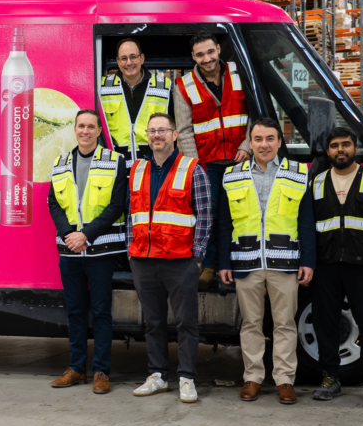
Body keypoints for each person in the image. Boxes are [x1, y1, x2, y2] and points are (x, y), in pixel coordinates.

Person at [217, 117, 315, 405]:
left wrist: (308, 260)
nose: (264, 144)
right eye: (258, 139)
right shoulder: (232, 175)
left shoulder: (298, 173)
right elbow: (224, 223)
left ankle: (285, 380)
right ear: (250, 142)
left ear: (280, 142)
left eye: (270, 138)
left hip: (284, 261)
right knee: (251, 323)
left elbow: (306, 221)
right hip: (245, 261)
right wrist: (224, 261)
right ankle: (253, 377)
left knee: (284, 324)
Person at [310, 127, 363, 406]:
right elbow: (308, 228)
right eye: (334, 146)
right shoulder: (317, 182)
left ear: (355, 148)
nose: (340, 150)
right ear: (328, 152)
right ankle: (330, 377)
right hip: (326, 266)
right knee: (325, 323)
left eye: (345, 144)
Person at [128, 113, 211, 403]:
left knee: (187, 323)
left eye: (162, 130)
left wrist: (197, 257)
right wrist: (132, 249)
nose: (156, 135)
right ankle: (157, 376)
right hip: (143, 259)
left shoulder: (192, 169)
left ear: (175, 135)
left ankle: (186, 378)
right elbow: (131, 215)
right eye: (152, 131)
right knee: (153, 322)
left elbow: (205, 216)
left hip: (180, 261)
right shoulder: (137, 169)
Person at [48, 109, 128, 394]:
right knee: (75, 312)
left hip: (101, 250)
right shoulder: (59, 163)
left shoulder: (114, 161)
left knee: (101, 312)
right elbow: (54, 204)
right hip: (69, 251)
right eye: (81, 126)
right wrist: (70, 235)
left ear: (98, 131)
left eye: (90, 126)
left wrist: (86, 235)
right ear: (75, 129)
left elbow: (117, 204)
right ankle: (77, 368)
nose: (85, 131)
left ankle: (101, 372)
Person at [175, 30, 251, 290]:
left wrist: (247, 145)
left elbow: (255, 113)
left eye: (210, 52)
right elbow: (184, 131)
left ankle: (230, 264)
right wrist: (195, 167)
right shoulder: (183, 85)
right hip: (207, 165)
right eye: (200, 55)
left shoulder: (241, 73)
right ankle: (208, 266)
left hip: (240, 161)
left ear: (218, 49)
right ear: (193, 57)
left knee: (236, 216)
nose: (206, 59)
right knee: (208, 216)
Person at [98, 38, 175, 167]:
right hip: (116, 169)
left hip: (154, 167)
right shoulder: (103, 87)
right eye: (123, 58)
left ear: (142, 58)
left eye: (133, 57)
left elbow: (174, 128)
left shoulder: (163, 86)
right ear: (117, 61)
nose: (129, 63)